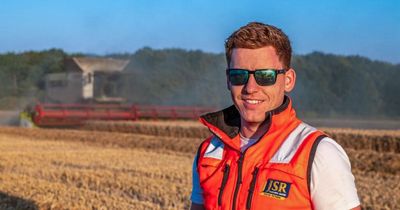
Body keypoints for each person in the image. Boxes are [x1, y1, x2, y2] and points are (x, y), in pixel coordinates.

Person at [190, 22, 361, 210]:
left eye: (265, 76)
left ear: (288, 80)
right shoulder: (208, 152)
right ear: (228, 80)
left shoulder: (319, 153)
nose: (250, 88)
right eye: (239, 75)